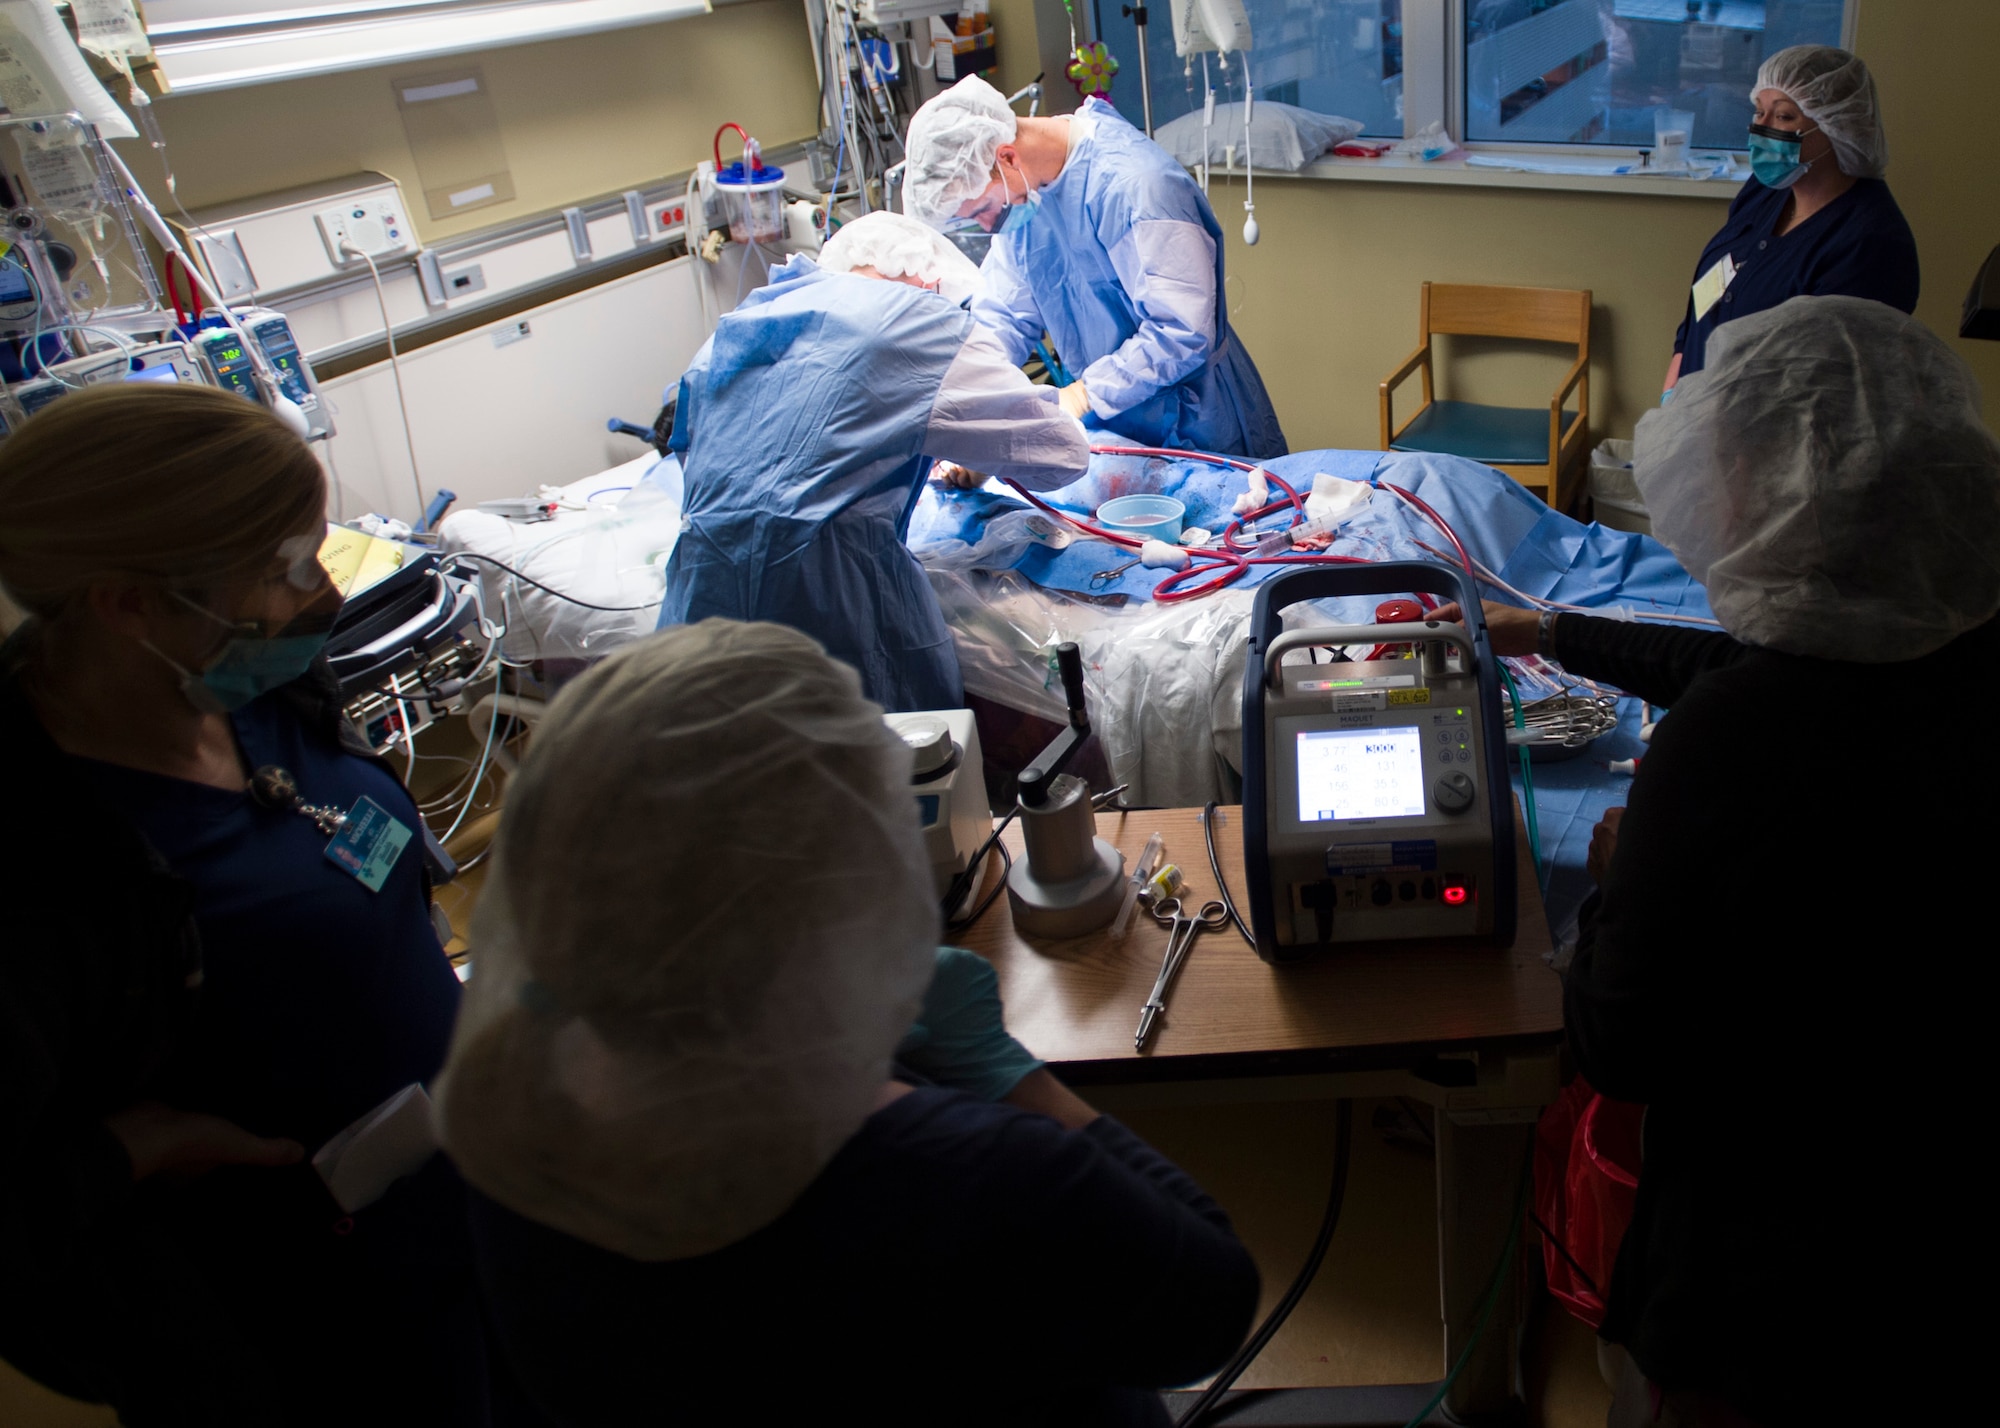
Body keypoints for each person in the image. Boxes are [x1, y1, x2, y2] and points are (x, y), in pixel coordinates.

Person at [437, 619, 1261, 1427]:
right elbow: (1211, 1306)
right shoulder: (985, 1176)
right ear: (839, 880)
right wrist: (1013, 1078)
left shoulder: (506, 1128)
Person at [1440, 297, 1999, 1426]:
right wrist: (1550, 630)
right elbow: (1751, 668)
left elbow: (1617, 1041)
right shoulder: (1951, 648)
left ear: (1780, 491)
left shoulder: (1729, 748)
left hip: (1767, 1277)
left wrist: (1608, 876)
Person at [0, 385, 513, 1426]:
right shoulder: (38, 855)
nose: (323, 596)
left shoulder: (254, 694)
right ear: (127, 602)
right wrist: (127, 1152)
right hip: (287, 1310)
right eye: (282, 570)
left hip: (459, 1203)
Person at [655, 209, 1089, 713]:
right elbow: (1060, 455)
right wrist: (1035, 420)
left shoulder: (738, 326)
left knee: (730, 777)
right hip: (826, 610)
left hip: (696, 605)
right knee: (882, 777)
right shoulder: (914, 316)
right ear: (929, 282)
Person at [902, 75, 1287, 461]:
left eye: (982, 209)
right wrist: (969, 410)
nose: (987, 225)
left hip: (1195, 417)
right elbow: (1004, 316)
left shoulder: (1140, 188)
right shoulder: (1025, 201)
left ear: (1006, 157)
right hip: (1112, 422)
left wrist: (1086, 393)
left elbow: (1181, 331)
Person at [1662, 45, 1917, 399]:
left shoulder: (1870, 246)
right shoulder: (1766, 193)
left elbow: (1820, 390)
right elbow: (1710, 298)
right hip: (1695, 413)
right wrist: (1675, 382)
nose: (1760, 128)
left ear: (1837, 126)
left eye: (1783, 117)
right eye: (1759, 111)